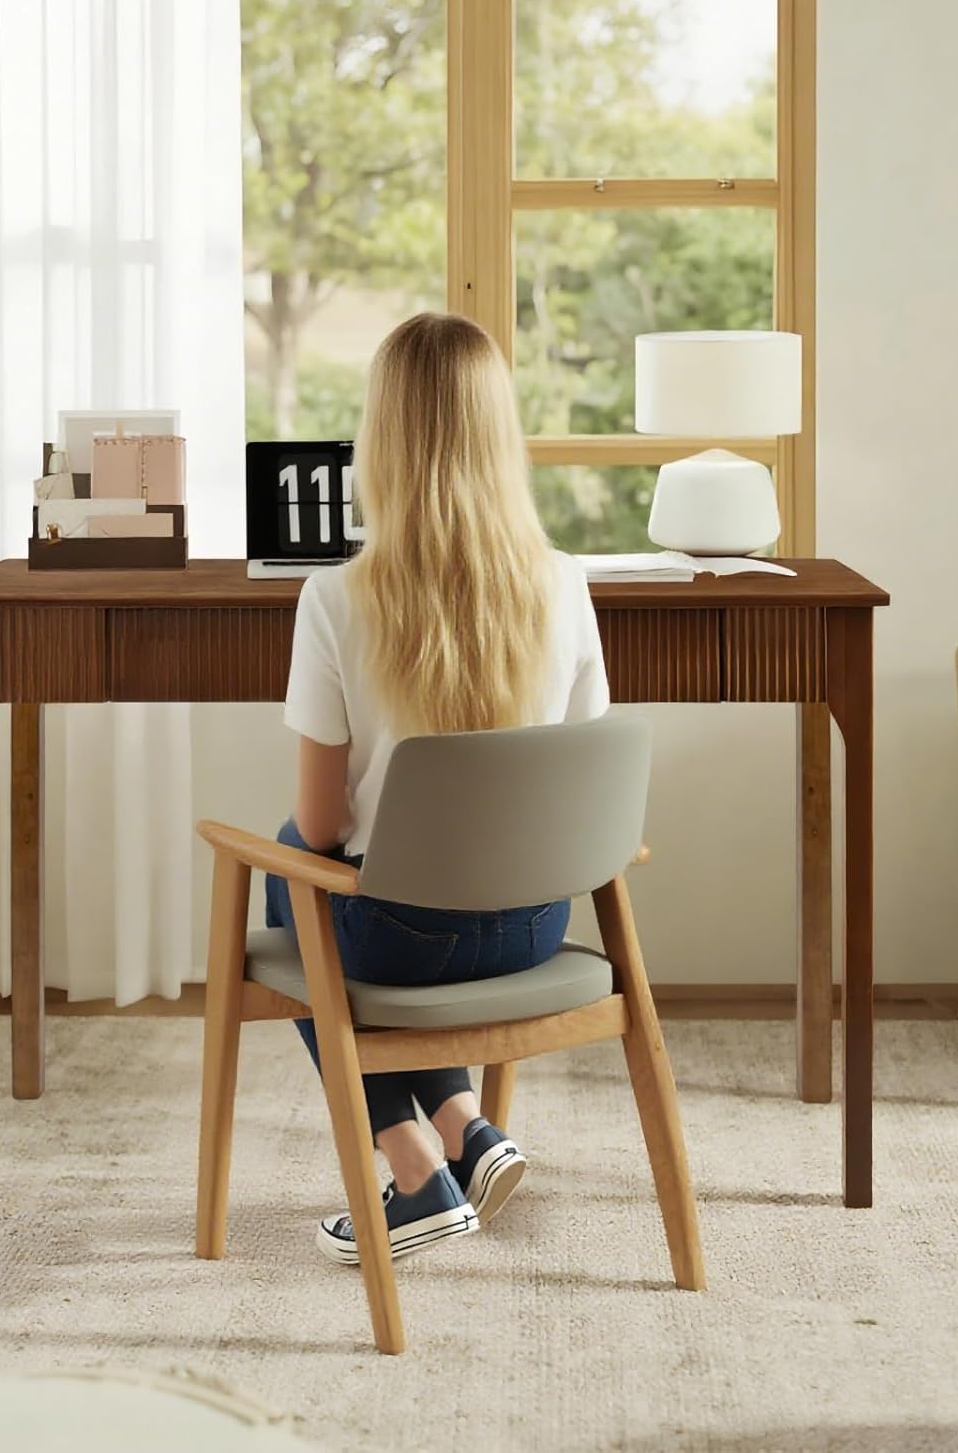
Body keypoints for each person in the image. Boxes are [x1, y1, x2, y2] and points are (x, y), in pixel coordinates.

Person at [265, 311, 610, 1266]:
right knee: (349, 894)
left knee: (282, 871)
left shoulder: (336, 598)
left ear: (383, 437)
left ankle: (414, 1169)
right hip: (539, 922)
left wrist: (315, 838)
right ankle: (469, 1125)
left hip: (404, 939)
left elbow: (324, 827)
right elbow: (580, 781)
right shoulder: (566, 583)